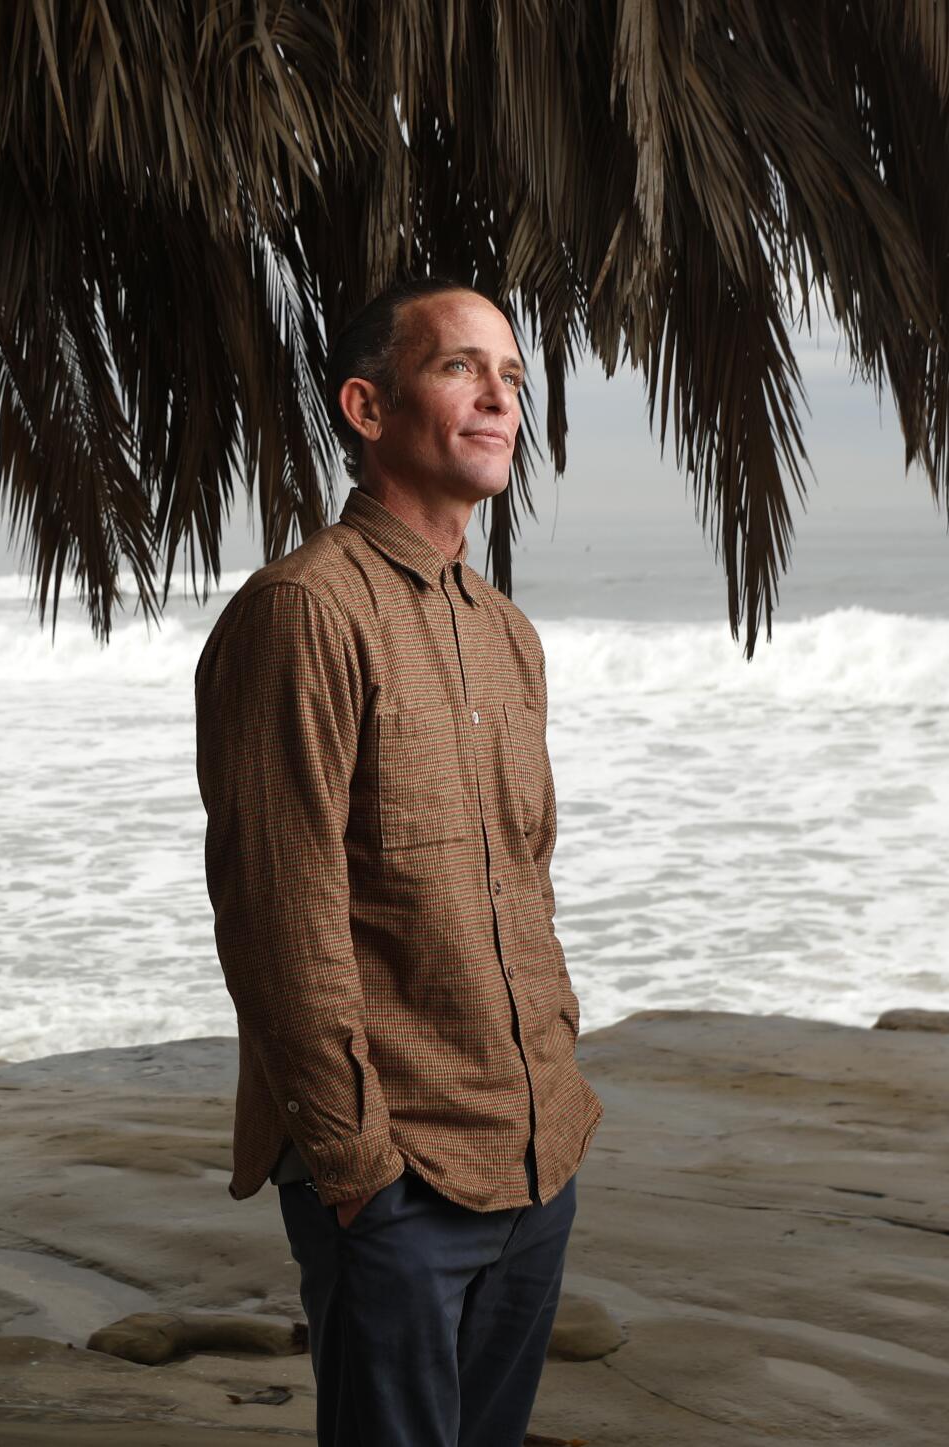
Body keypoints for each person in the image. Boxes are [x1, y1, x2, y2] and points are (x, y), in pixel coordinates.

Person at [193, 277, 603, 1446]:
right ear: (367, 408)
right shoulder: (300, 614)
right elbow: (279, 914)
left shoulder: (504, 633)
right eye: (459, 367)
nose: (498, 398)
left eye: (512, 376)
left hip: (533, 1158)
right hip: (399, 1178)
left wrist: (556, 1083)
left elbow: (526, 878)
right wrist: (356, 1167)